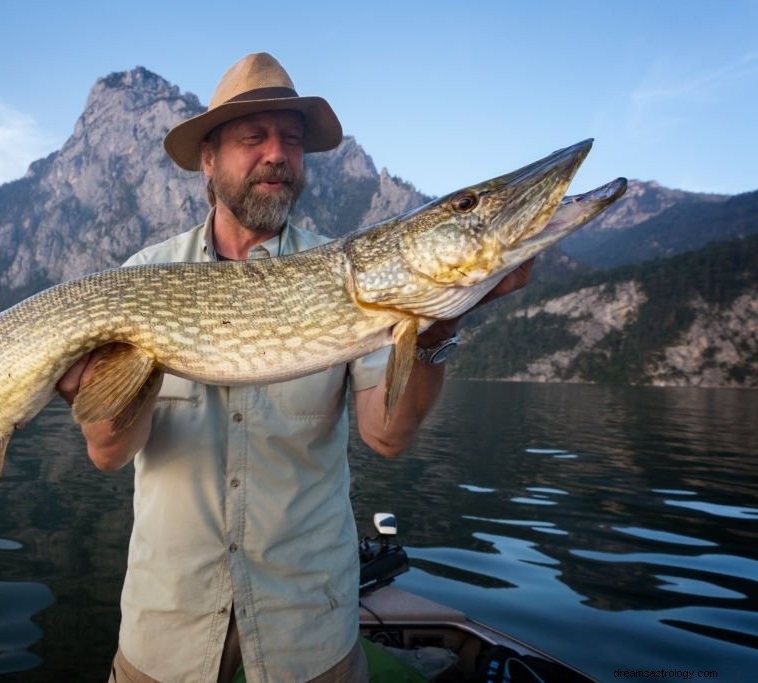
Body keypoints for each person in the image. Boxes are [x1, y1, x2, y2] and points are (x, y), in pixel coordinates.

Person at [57, 52, 533, 683]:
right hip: (165, 633)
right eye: (253, 137)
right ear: (209, 159)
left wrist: (438, 326)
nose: (276, 154)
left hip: (307, 636)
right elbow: (108, 454)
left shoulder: (353, 277)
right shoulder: (142, 276)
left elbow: (385, 436)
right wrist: (103, 390)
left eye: (292, 139)